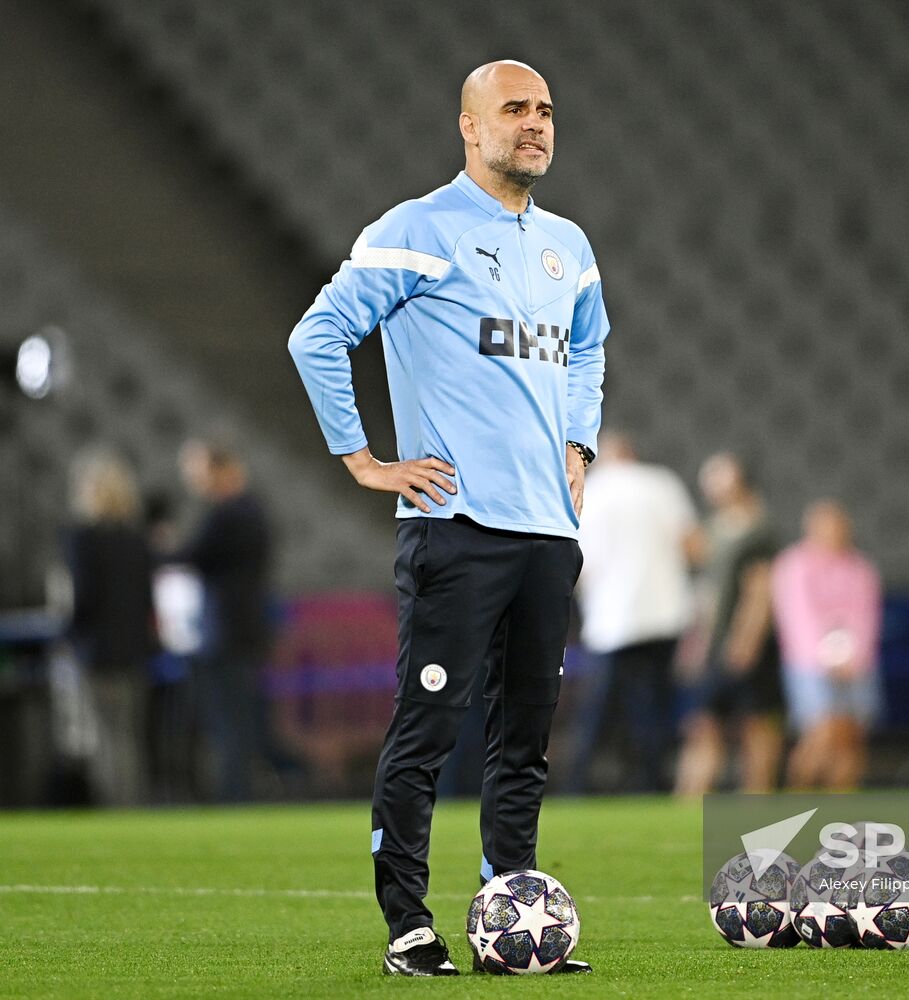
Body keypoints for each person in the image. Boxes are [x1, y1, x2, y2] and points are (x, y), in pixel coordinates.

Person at [288, 60, 606, 976]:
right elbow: (318, 334)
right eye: (514, 110)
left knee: (524, 739)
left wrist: (577, 444)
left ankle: (512, 910)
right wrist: (363, 460)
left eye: (545, 109)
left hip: (548, 530)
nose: (535, 124)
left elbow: (587, 347)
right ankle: (409, 927)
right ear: (469, 128)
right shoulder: (415, 231)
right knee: (428, 730)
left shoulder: (569, 247)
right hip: (456, 525)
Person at [572, 431, 699, 792]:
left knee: (597, 711)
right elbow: (693, 547)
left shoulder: (590, 491)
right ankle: (651, 783)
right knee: (655, 707)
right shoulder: (662, 483)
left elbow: (580, 563)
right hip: (665, 615)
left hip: (612, 621)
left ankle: (578, 785)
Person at [674, 453, 782, 796]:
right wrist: (696, 644)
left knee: (756, 726)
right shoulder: (716, 528)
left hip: (747, 647)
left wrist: (746, 641)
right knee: (703, 725)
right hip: (713, 646)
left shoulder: (757, 529)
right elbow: (706, 591)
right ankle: (689, 802)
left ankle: (757, 799)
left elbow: (760, 590)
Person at [179, 437, 274, 802]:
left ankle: (235, 795)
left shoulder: (230, 514)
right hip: (242, 630)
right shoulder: (251, 511)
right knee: (238, 718)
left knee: (230, 721)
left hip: (227, 632)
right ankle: (239, 791)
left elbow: (195, 555)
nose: (195, 481)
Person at [65, 448, 156, 806]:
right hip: (134, 650)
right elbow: (147, 598)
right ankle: (132, 803)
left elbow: (84, 596)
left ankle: (116, 807)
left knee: (106, 736)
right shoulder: (137, 540)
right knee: (129, 736)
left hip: (99, 651)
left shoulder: (83, 539)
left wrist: (69, 634)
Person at [771, 500, 883, 790]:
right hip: (809, 665)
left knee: (851, 738)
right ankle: (799, 805)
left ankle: (841, 810)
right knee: (820, 734)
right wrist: (826, 657)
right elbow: (798, 617)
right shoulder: (794, 565)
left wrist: (852, 657)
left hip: (856, 665)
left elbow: (866, 616)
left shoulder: (860, 567)